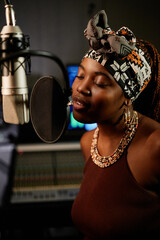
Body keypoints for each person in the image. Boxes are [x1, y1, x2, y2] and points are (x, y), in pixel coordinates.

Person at [71, 10, 160, 239]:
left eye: (100, 82)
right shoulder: (88, 142)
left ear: (128, 96)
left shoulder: (155, 146)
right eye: (80, 76)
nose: (81, 87)